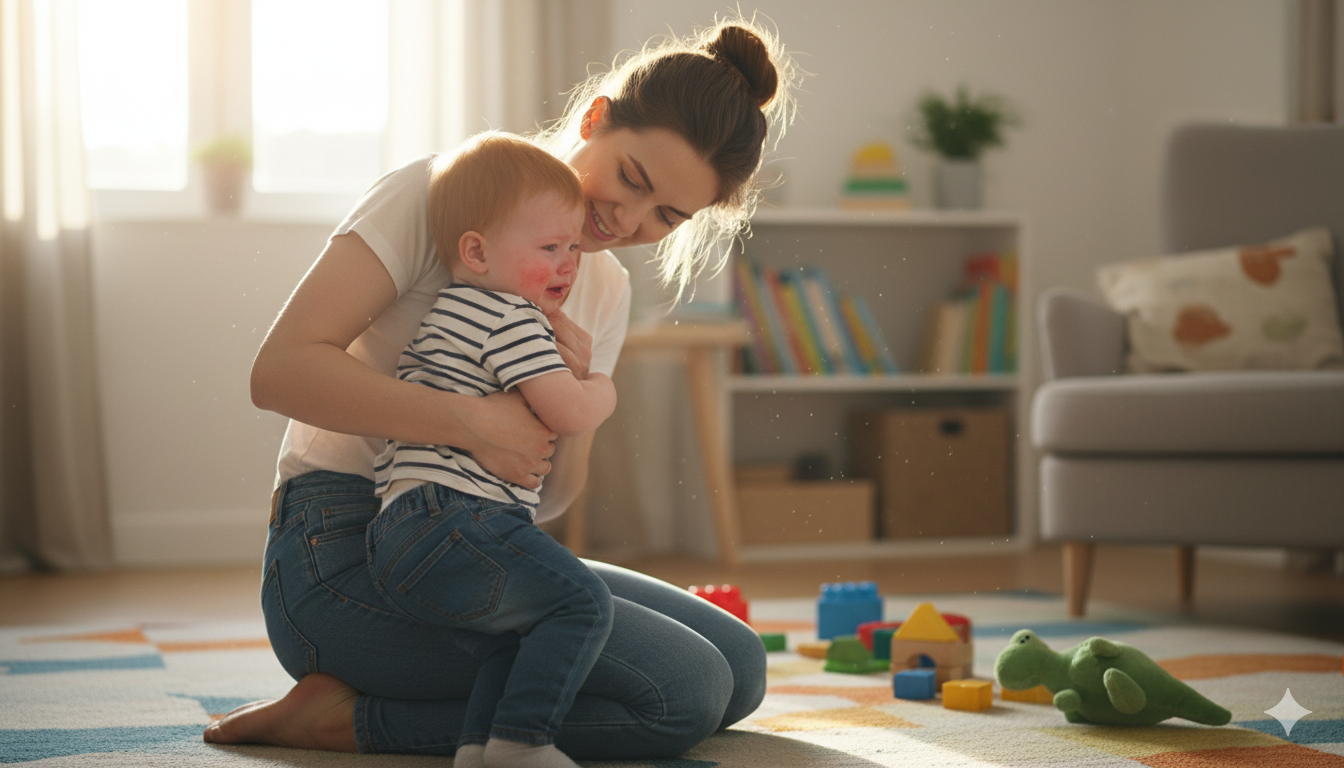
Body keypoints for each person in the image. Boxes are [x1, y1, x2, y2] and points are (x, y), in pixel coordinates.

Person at [205, 17, 797, 762]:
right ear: (596, 119)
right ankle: (343, 721)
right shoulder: (436, 198)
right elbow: (279, 371)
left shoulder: (603, 289)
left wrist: (569, 401)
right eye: (632, 180)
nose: (626, 221)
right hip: (342, 552)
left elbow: (547, 501)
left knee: (739, 670)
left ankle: (386, 702)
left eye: (667, 217)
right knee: (683, 695)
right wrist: (470, 422)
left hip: (480, 538)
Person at [372, 132, 617, 768]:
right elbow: (565, 409)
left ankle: (481, 750)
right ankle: (525, 744)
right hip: (454, 516)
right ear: (476, 252)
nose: (568, 263)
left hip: (406, 527)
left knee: (520, 627)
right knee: (581, 602)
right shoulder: (509, 317)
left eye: (572, 248)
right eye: (549, 247)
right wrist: (603, 387)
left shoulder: (452, 311)